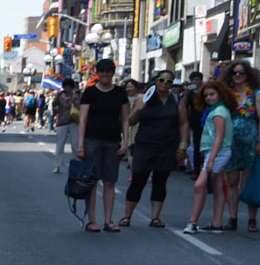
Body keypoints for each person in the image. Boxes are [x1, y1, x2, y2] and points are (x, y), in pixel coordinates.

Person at [119, 70, 185, 228]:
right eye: (161, 80)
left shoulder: (176, 99)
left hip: (167, 145)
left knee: (160, 181)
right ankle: (127, 216)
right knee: (138, 180)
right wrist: (139, 109)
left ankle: (155, 217)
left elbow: (183, 123)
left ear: (172, 84)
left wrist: (183, 145)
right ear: (156, 81)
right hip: (145, 144)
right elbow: (131, 121)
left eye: (168, 81)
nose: (164, 83)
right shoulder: (144, 97)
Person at [76, 59, 130, 233]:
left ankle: (108, 220)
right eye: (102, 71)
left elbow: (125, 119)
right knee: (92, 181)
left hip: (113, 140)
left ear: (113, 73)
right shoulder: (90, 92)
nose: (105, 75)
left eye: (109, 71)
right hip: (92, 140)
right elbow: (83, 120)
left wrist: (125, 141)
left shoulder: (120, 93)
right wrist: (81, 144)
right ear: (97, 74)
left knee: (110, 181)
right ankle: (92, 220)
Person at [218, 60, 260, 233]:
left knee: (249, 181)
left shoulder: (256, 94)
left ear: (248, 75)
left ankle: (252, 220)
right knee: (232, 181)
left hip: (251, 141)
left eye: (241, 72)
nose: (238, 75)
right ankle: (233, 218)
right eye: (235, 73)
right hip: (232, 141)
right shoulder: (227, 95)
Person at [183, 81, 237, 235]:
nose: (208, 98)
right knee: (218, 185)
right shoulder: (217, 110)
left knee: (199, 185)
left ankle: (193, 222)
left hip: (218, 153)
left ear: (220, 94)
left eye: (212, 94)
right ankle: (217, 223)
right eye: (206, 95)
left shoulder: (219, 112)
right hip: (215, 152)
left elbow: (219, 138)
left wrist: (211, 159)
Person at [51, 79, 80, 172]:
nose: (67, 88)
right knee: (60, 145)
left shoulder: (76, 96)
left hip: (73, 121)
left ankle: (76, 165)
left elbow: (80, 107)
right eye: (65, 86)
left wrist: (74, 100)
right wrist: (57, 96)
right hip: (62, 122)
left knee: (75, 145)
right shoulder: (60, 96)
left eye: (69, 86)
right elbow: (54, 104)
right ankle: (57, 166)